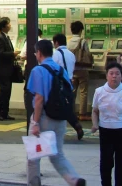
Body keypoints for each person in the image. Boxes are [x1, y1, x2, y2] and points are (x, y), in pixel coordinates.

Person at [27, 39, 85, 186]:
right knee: (57, 154)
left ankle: (34, 184)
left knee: (33, 156)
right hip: (60, 118)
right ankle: (73, 179)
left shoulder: (38, 70)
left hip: (44, 117)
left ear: (39, 53)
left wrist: (35, 123)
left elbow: (39, 99)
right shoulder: (61, 70)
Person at [53, 33, 85, 140]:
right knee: (68, 108)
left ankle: (57, 132)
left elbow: (52, 69)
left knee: (58, 109)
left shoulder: (56, 54)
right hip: (69, 85)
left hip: (59, 86)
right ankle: (76, 126)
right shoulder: (71, 54)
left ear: (56, 42)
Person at [0, 17, 19, 121]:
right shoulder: (0, 38)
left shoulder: (5, 37)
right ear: (3, 26)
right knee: (4, 91)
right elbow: (0, 54)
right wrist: (12, 54)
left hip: (7, 69)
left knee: (7, 91)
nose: (10, 25)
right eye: (8, 24)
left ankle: (4, 113)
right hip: (2, 69)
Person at [68, 21, 92, 121]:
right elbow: (88, 53)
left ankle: (71, 112)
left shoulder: (69, 42)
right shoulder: (83, 41)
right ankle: (82, 114)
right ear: (81, 30)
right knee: (83, 92)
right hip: (82, 69)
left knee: (72, 92)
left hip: (73, 70)